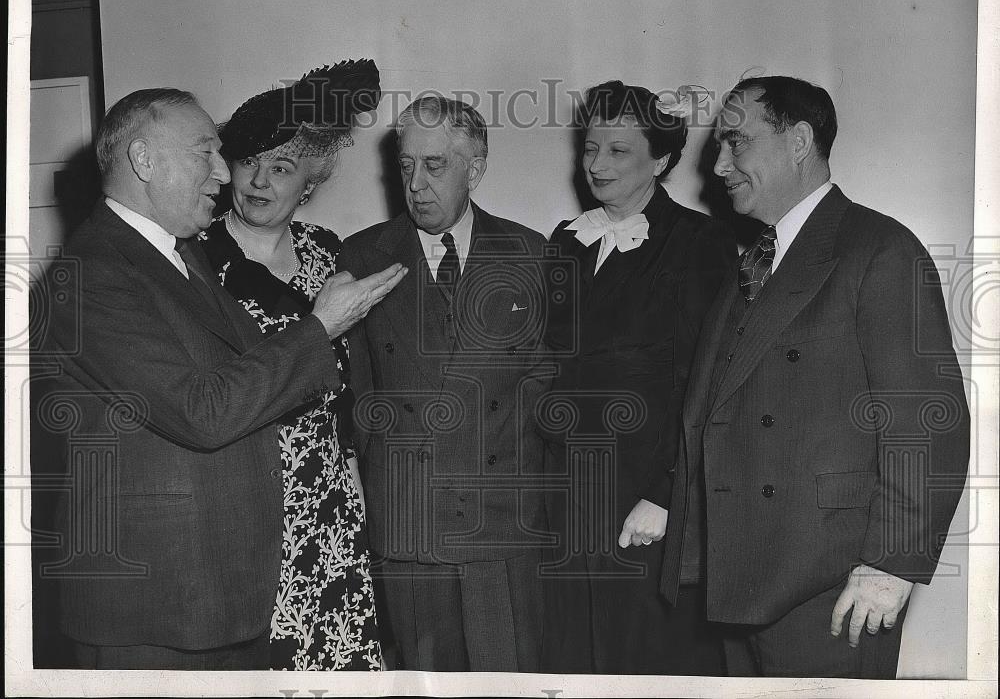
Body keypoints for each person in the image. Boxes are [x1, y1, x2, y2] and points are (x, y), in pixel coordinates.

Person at [42, 88, 406, 669]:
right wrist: (321, 325)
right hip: (157, 599)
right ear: (143, 161)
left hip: (213, 582)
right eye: (207, 153)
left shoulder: (174, 255)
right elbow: (203, 410)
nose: (224, 172)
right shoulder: (93, 273)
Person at [659, 76, 970, 678]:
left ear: (798, 141)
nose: (720, 164)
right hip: (740, 576)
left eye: (736, 142)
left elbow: (928, 422)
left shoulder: (880, 248)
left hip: (834, 588)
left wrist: (892, 566)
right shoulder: (752, 258)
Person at [339, 96, 551, 671]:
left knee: (509, 681)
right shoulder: (360, 258)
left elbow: (546, 391)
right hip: (410, 526)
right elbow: (353, 396)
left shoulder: (532, 256)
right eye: (406, 167)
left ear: (475, 168)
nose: (416, 185)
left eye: (435, 167)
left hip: (501, 528)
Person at [539, 80, 736, 674]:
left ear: (663, 159)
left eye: (619, 150)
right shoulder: (568, 242)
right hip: (566, 492)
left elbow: (702, 382)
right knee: (572, 655)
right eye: (590, 147)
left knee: (641, 659)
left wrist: (666, 494)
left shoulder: (700, 243)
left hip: (643, 500)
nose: (596, 164)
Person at [199, 60, 382, 670]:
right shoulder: (196, 258)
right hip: (243, 491)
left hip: (327, 493)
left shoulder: (328, 253)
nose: (258, 180)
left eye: (281, 167)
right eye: (249, 161)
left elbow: (350, 375)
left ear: (310, 183)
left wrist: (351, 462)